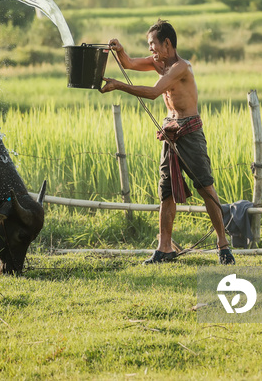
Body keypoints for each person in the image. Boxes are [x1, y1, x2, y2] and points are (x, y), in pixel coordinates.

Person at [99, 19, 235, 265]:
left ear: (167, 43)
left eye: (153, 44)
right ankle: (164, 249)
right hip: (170, 132)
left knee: (205, 187)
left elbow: (152, 93)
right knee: (166, 192)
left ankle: (223, 246)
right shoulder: (158, 63)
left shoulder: (181, 68)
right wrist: (120, 51)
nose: (151, 50)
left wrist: (118, 85)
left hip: (190, 132)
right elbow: (129, 64)